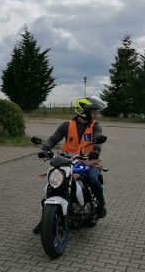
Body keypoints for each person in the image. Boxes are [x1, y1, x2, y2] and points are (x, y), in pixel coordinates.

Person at [33, 96, 107, 234]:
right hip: (68, 162)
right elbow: (53, 139)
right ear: (84, 112)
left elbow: (98, 139)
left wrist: (95, 151)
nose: (95, 115)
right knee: (54, 183)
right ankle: (46, 219)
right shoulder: (67, 125)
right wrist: (45, 149)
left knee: (92, 179)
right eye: (93, 112)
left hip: (89, 162)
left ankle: (101, 206)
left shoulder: (95, 126)